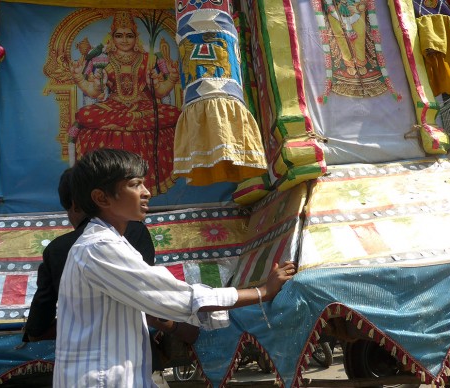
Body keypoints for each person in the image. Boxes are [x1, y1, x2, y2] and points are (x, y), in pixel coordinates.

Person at [53, 148, 296, 387]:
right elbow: (179, 297)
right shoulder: (99, 247)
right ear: (102, 198)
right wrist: (262, 292)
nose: (146, 192)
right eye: (135, 184)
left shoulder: (111, 242)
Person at [23, 168, 156, 342]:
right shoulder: (136, 232)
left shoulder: (58, 249)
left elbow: (39, 321)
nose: (146, 193)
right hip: (133, 340)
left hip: (84, 349)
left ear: (74, 205)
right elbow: (150, 291)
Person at [70, 11, 180, 196]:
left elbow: (160, 92)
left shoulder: (148, 59)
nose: (124, 40)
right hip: (113, 107)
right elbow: (95, 92)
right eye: (119, 35)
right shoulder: (103, 59)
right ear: (112, 37)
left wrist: (172, 79)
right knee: (84, 115)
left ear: (135, 37)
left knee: (175, 114)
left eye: (129, 35)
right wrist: (80, 79)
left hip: (143, 106)